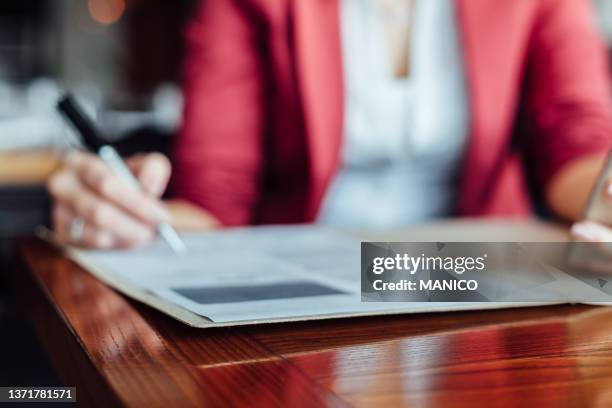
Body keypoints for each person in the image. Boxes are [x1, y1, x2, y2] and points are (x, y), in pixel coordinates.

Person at [48, 0, 612, 249]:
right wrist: (123, 218)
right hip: (300, 305)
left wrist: (606, 193)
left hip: (475, 283)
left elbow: (577, 138)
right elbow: (214, 199)